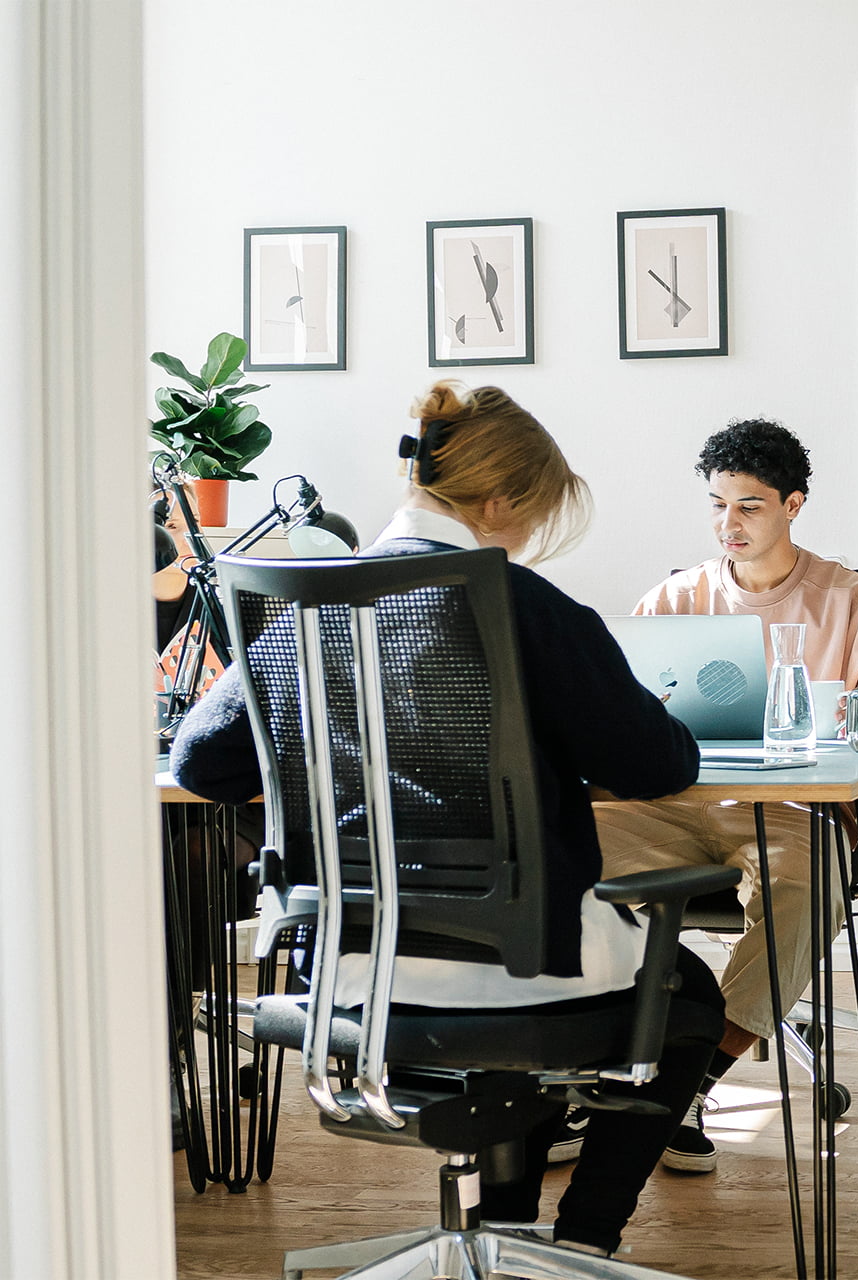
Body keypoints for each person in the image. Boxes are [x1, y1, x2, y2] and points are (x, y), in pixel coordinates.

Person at [171, 381, 718, 1257]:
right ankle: (578, 1245)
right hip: (520, 962)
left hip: (351, 970)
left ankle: (508, 1232)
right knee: (689, 994)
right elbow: (659, 764)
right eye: (530, 518)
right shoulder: (526, 609)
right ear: (497, 503)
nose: (529, 538)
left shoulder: (306, 607)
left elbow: (202, 759)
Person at [596, 417, 858, 1173]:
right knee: (552, 846)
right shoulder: (674, 600)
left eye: (749, 506)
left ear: (793, 505)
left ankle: (689, 1078)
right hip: (672, 807)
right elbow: (623, 715)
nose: (727, 524)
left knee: (805, 888)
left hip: (792, 815)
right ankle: (597, 1062)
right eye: (716, 505)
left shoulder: (856, 604)